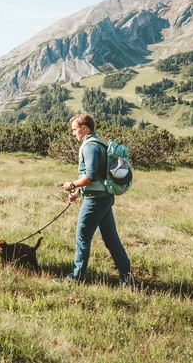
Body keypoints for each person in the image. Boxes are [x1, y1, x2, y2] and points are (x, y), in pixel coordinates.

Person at [57, 113, 136, 287]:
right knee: (112, 241)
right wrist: (79, 193)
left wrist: (72, 185)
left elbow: (91, 176)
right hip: (104, 198)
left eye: (75, 129)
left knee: (82, 239)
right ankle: (129, 280)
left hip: (95, 201)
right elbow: (98, 176)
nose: (73, 133)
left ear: (84, 128)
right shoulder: (99, 144)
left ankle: (75, 278)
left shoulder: (89, 147)